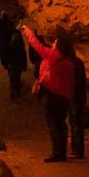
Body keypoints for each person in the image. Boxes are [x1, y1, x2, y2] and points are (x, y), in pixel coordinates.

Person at [22, 24, 75, 162]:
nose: (53, 43)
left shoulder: (54, 56)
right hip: (63, 97)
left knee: (53, 125)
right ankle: (61, 152)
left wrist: (27, 31)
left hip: (52, 95)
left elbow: (37, 45)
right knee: (61, 125)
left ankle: (57, 153)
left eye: (56, 42)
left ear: (59, 46)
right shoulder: (68, 60)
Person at [0, 11, 27, 100]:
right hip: (16, 60)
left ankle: (14, 93)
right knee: (16, 77)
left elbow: (3, 50)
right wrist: (24, 63)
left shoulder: (1, 34)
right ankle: (16, 93)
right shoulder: (14, 32)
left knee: (13, 77)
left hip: (11, 61)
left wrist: (4, 62)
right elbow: (22, 49)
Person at [62, 40, 87, 159]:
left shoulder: (76, 64)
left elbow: (77, 80)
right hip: (74, 96)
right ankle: (76, 149)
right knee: (73, 122)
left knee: (76, 122)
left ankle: (78, 150)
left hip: (76, 97)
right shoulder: (75, 63)